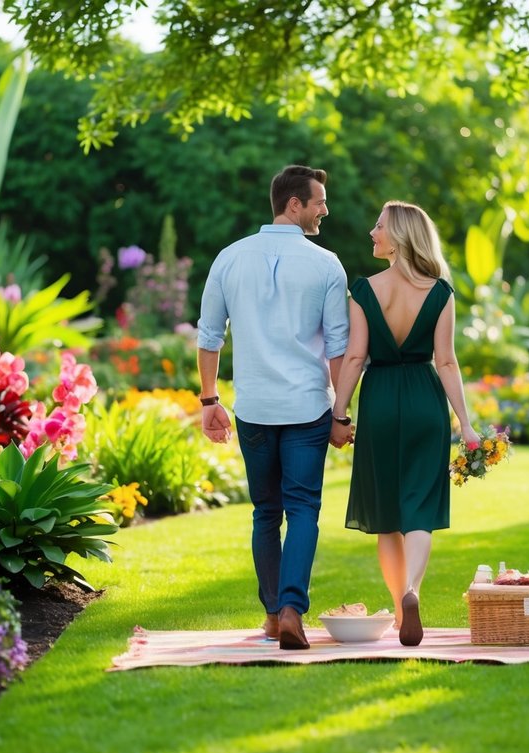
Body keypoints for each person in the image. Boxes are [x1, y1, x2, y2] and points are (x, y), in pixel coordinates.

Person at [197, 165, 350, 650]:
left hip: (255, 408)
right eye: (319, 201)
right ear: (294, 204)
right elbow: (338, 348)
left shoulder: (228, 257)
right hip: (308, 408)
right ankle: (290, 610)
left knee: (266, 512)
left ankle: (270, 615)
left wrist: (209, 401)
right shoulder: (327, 265)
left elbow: (208, 336)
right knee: (303, 509)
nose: (325, 209)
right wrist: (341, 413)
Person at [330, 201, 479, 647]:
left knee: (386, 515)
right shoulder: (441, 292)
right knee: (419, 510)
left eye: (379, 226)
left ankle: (399, 608)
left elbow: (355, 357)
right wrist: (466, 425)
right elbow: (447, 362)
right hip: (424, 402)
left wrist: (340, 412)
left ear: (398, 236)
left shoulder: (364, 289)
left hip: (379, 400)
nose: (372, 232)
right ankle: (413, 590)